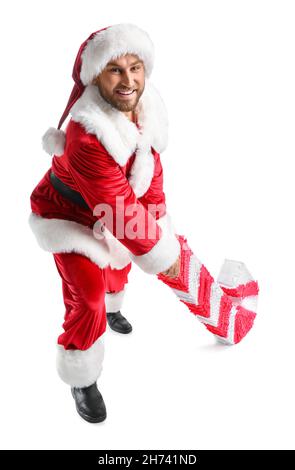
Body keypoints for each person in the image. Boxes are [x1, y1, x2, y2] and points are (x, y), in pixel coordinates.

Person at [28, 23, 180, 423]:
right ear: (96, 75)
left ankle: (114, 309)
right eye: (115, 69)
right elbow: (116, 206)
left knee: (117, 273)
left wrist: (159, 221)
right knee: (89, 296)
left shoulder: (147, 110)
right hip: (70, 217)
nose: (128, 79)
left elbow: (150, 171)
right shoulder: (85, 132)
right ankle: (82, 376)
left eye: (136, 67)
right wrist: (164, 254)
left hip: (114, 212)